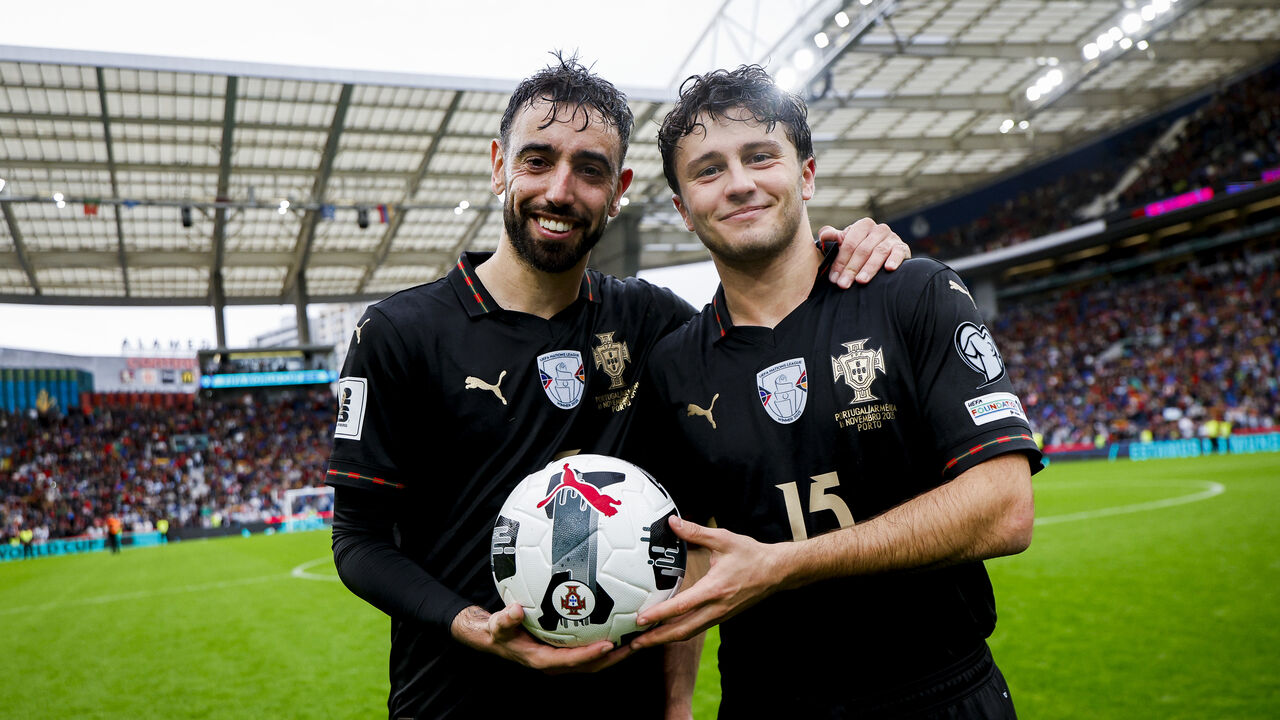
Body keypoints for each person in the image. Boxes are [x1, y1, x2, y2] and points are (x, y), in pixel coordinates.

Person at [324, 54, 911, 719]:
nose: (560, 190)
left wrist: (847, 246)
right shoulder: (399, 332)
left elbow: (763, 347)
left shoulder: (653, 322)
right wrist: (471, 625)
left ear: (621, 187)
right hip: (453, 703)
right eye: (537, 160)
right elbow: (358, 541)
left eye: (591, 170)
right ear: (498, 166)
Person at [626, 65, 1043, 718]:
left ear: (807, 174)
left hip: (937, 693)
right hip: (764, 703)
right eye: (708, 170)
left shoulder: (914, 292)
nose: (739, 183)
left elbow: (1005, 507)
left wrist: (785, 564)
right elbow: (688, 549)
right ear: (682, 209)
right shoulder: (674, 366)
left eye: (760, 156)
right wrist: (675, 706)